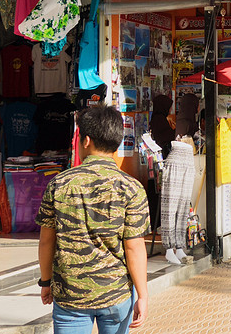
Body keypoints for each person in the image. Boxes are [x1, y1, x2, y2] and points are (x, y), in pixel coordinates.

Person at [36, 105, 150, 332]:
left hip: (71, 297)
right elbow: (134, 247)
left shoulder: (59, 184)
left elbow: (46, 241)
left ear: (86, 140)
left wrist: (46, 281)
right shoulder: (131, 188)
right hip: (115, 294)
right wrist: (143, 295)